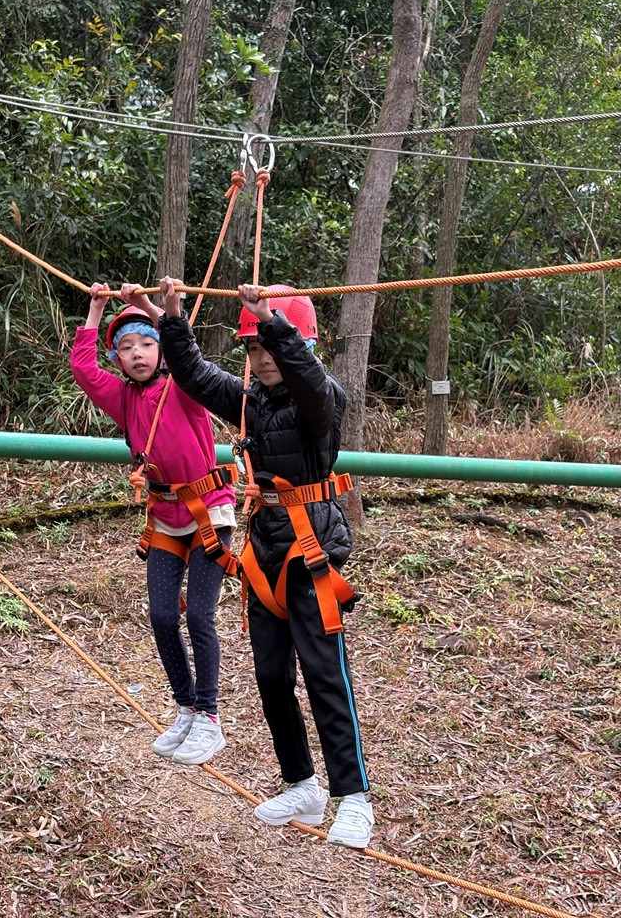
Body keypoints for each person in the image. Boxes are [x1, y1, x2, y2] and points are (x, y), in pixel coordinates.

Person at [157, 276, 374, 850]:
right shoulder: (250, 403)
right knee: (271, 676)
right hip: (265, 550)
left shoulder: (322, 398)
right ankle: (302, 784)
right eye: (253, 349)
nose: (262, 358)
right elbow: (194, 374)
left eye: (270, 347)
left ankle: (354, 798)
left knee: (324, 673)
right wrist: (173, 319)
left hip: (311, 548)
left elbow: (307, 381)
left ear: (300, 344)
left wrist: (273, 324)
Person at [70, 281, 237, 766]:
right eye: (126, 348)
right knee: (163, 616)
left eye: (146, 343)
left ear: (161, 350)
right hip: (164, 516)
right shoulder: (124, 399)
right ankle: (186, 707)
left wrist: (151, 306)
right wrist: (97, 308)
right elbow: (84, 370)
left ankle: (209, 717)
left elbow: (184, 350)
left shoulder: (184, 385)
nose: (137, 353)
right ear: (118, 360)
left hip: (208, 509)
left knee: (199, 616)